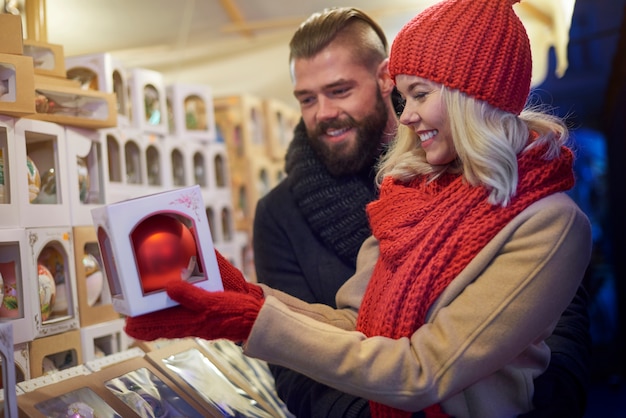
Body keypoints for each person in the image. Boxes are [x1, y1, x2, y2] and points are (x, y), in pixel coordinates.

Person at [125, 1, 593, 417]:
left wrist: (253, 319)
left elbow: (422, 368)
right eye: (307, 98)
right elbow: (359, 326)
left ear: (472, 97)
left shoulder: (545, 220)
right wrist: (248, 298)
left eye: (421, 95)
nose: (407, 114)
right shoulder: (410, 194)